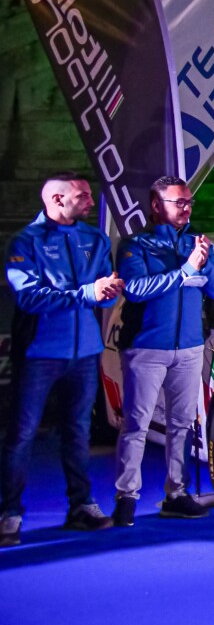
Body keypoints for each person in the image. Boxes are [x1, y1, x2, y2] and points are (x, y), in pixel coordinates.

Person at [2, 175, 123, 546]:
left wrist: (108, 291)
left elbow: (102, 293)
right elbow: (29, 298)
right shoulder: (26, 241)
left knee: (78, 432)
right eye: (82, 195)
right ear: (57, 199)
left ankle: (81, 506)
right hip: (39, 354)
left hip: (85, 354)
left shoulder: (95, 239)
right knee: (22, 434)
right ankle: (9, 513)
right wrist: (88, 293)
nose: (91, 201)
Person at [111, 176, 214, 526]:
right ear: (156, 205)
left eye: (189, 202)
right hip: (146, 349)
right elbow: (135, 288)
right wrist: (186, 270)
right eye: (179, 202)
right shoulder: (136, 244)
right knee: (136, 424)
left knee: (182, 425)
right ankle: (126, 498)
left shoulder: (197, 242)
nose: (186, 208)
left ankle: (176, 494)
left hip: (189, 349)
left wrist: (205, 263)